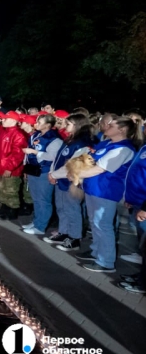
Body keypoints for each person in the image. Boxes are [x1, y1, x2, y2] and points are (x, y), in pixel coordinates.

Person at [73, 117, 142, 273]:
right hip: (94, 188)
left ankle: (106, 261)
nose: (107, 126)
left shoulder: (123, 149)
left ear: (122, 130)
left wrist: (75, 174)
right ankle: (96, 251)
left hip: (106, 191)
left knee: (103, 224)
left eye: (112, 125)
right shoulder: (107, 144)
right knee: (95, 222)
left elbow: (100, 168)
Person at [45, 114, 94, 251]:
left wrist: (54, 174)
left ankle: (75, 237)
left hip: (72, 181)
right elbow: (59, 159)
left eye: (68, 124)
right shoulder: (70, 140)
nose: (65, 126)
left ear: (78, 125)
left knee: (72, 209)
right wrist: (53, 173)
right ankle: (64, 232)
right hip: (60, 179)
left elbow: (72, 165)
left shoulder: (82, 144)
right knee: (61, 207)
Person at [20, 114, 63, 235]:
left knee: (43, 200)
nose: (36, 123)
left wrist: (35, 152)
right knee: (36, 199)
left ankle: (40, 227)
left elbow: (52, 157)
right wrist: (26, 168)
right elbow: (27, 154)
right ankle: (37, 221)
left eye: (40, 122)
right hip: (33, 170)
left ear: (48, 125)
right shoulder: (36, 135)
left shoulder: (54, 139)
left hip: (44, 171)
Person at [119, 139, 146, 293]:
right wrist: (130, 197)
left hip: (144, 204)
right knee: (142, 246)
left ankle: (143, 284)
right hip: (137, 201)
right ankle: (142, 276)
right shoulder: (144, 147)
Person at [0, 112, 28, 221]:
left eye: (6, 119)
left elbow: (18, 154)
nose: (3, 120)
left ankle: (12, 211)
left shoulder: (18, 134)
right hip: (0, 167)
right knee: (1, 189)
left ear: (13, 121)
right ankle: (4, 208)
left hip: (10, 169)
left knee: (11, 190)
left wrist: (9, 167)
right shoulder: (4, 132)